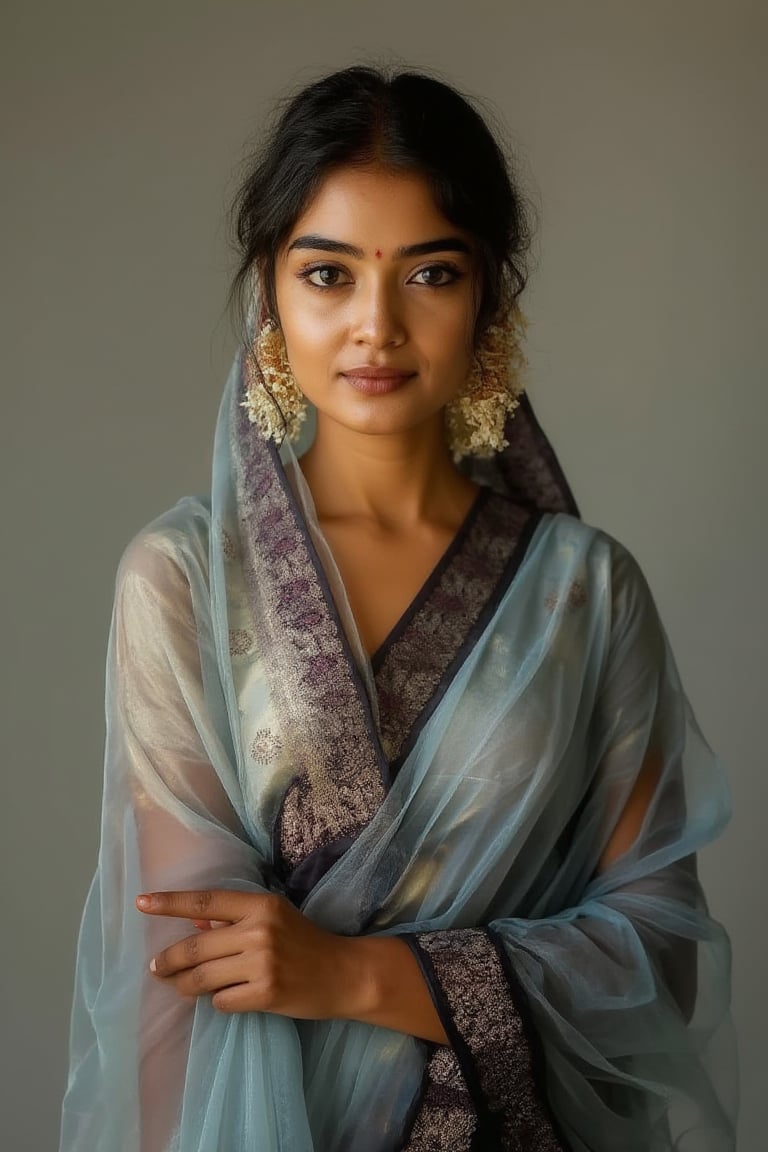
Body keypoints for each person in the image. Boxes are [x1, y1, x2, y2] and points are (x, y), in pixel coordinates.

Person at [59, 66, 737, 1152]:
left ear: (490, 299)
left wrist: (359, 974)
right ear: (270, 298)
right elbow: (177, 976)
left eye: (428, 273)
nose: (376, 325)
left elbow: (656, 954)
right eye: (328, 274)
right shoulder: (185, 579)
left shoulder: (582, 591)